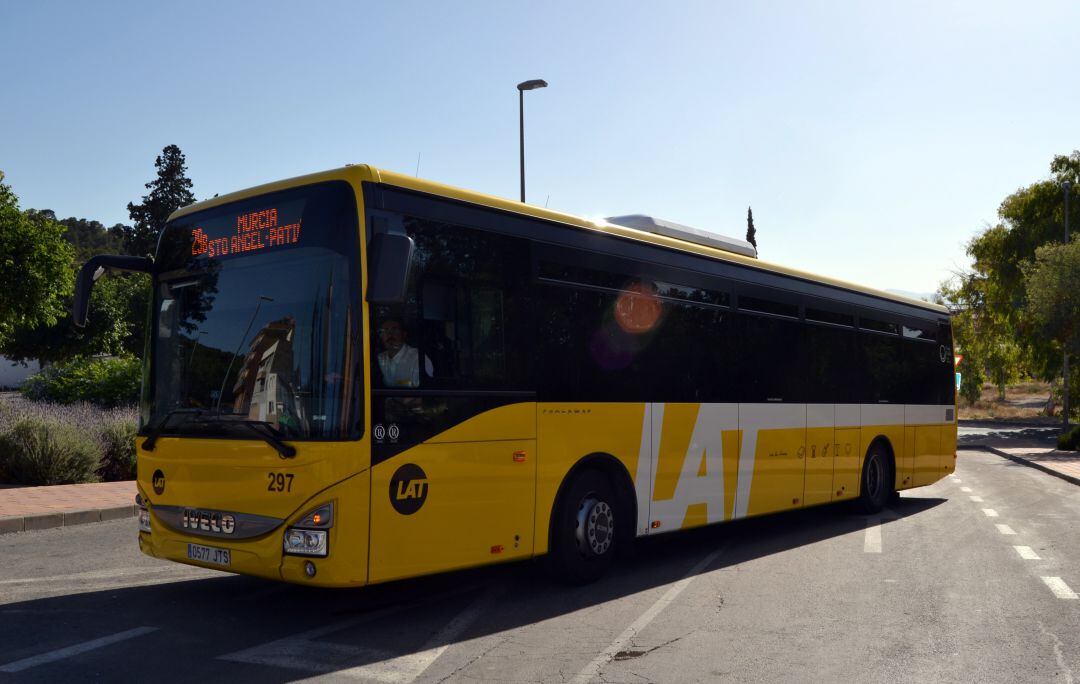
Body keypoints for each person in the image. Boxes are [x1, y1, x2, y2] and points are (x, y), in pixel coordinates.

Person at [376, 318, 432, 388]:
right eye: (385, 330)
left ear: (404, 334)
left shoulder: (418, 359)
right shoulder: (379, 359)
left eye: (394, 330)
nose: (390, 334)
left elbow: (423, 395)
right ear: (381, 336)